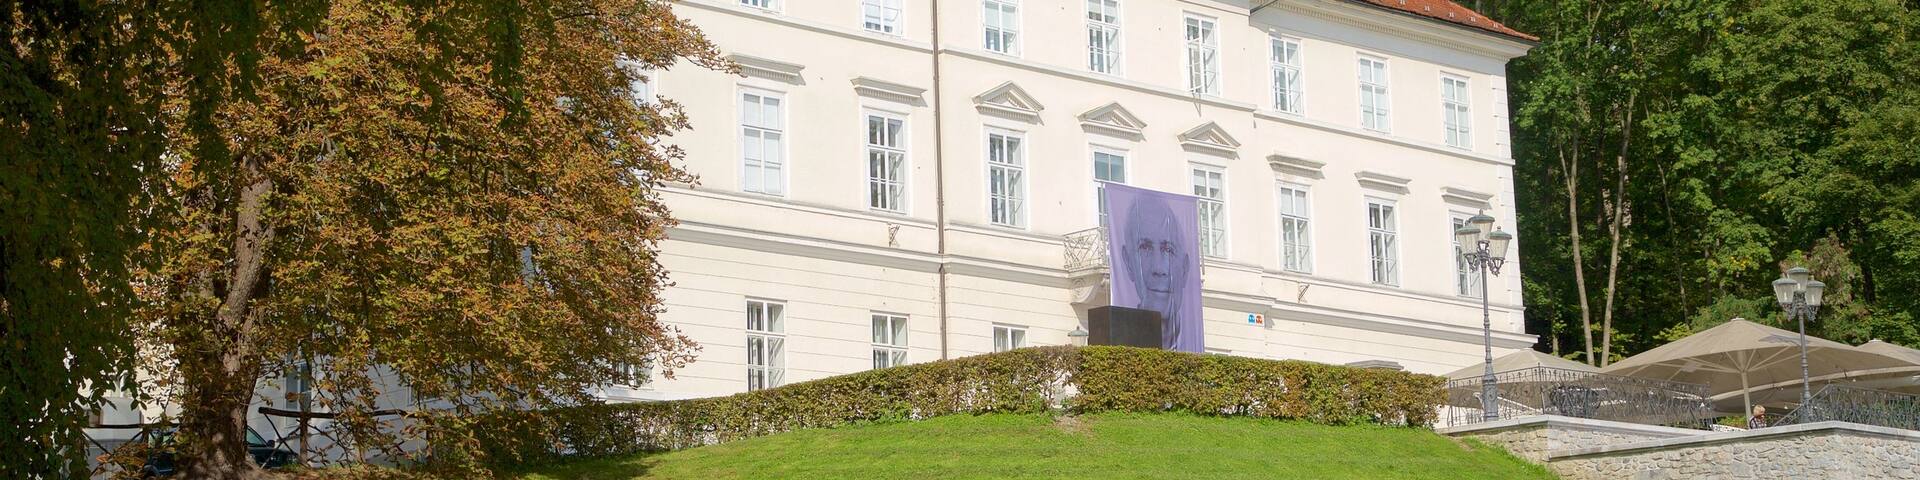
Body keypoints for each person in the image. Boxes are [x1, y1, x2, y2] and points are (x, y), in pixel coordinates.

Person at [1119, 197, 1194, 351]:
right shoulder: (1120, 341)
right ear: (1128, 262)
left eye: (1168, 250)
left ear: (1185, 268)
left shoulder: (1194, 341)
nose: (1159, 268)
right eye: (1145, 247)